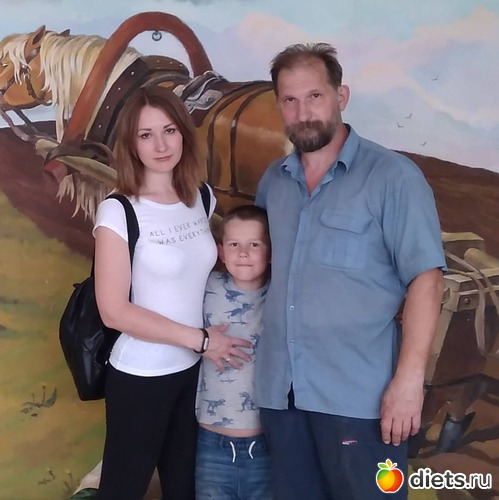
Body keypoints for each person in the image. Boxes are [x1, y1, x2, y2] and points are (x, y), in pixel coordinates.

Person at [254, 43, 446, 500]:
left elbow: (427, 278)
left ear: (341, 96)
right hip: (281, 395)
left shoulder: (393, 177)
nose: (303, 113)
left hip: (361, 402)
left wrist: (408, 382)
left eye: (314, 97)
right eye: (290, 100)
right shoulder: (273, 182)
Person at [93, 85, 251, 500]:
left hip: (193, 372)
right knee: (124, 489)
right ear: (131, 144)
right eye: (146, 135)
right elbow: (113, 311)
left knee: (184, 488)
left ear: (183, 133)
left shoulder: (201, 197)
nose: (161, 145)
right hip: (141, 376)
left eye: (169, 130)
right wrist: (199, 340)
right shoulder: (119, 210)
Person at [195, 205, 272, 500]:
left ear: (271, 252)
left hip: (265, 443)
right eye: (234, 245)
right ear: (221, 252)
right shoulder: (206, 288)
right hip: (210, 441)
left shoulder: (279, 295)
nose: (243, 253)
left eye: (255, 244)